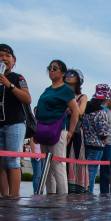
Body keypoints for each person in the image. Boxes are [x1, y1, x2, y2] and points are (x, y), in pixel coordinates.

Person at [34, 59, 81, 194]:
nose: (51, 70)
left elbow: (75, 110)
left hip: (58, 129)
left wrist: (70, 131)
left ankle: (62, 197)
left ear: (63, 73)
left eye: (55, 68)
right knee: (46, 166)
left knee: (58, 165)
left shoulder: (65, 89)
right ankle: (50, 194)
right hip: (43, 129)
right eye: (50, 67)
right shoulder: (47, 90)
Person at [0, 43, 31, 196]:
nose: (4, 58)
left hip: (15, 123)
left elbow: (27, 99)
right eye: (0, 55)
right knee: (2, 162)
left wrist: (9, 85)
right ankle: (3, 195)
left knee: (13, 161)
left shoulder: (17, 77)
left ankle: (14, 198)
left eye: (8, 56)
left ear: (14, 61)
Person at [81, 84, 111, 194]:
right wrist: (104, 139)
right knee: (92, 173)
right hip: (96, 145)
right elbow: (103, 131)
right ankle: (89, 195)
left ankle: (82, 193)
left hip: (84, 142)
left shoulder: (86, 107)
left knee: (84, 172)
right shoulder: (101, 111)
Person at [64, 70, 91, 193]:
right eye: (67, 74)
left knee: (76, 157)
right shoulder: (61, 93)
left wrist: (70, 110)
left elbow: (80, 112)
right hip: (62, 128)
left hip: (75, 131)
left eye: (72, 75)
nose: (68, 77)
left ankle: (77, 188)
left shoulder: (82, 96)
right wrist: (73, 110)